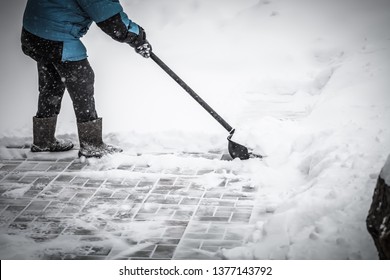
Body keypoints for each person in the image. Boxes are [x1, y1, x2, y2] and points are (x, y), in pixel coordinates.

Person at [21, 0, 152, 158]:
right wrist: (138, 37)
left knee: (52, 82)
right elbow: (113, 23)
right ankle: (91, 144)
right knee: (82, 82)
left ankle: (43, 140)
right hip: (56, 37)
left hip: (34, 32)